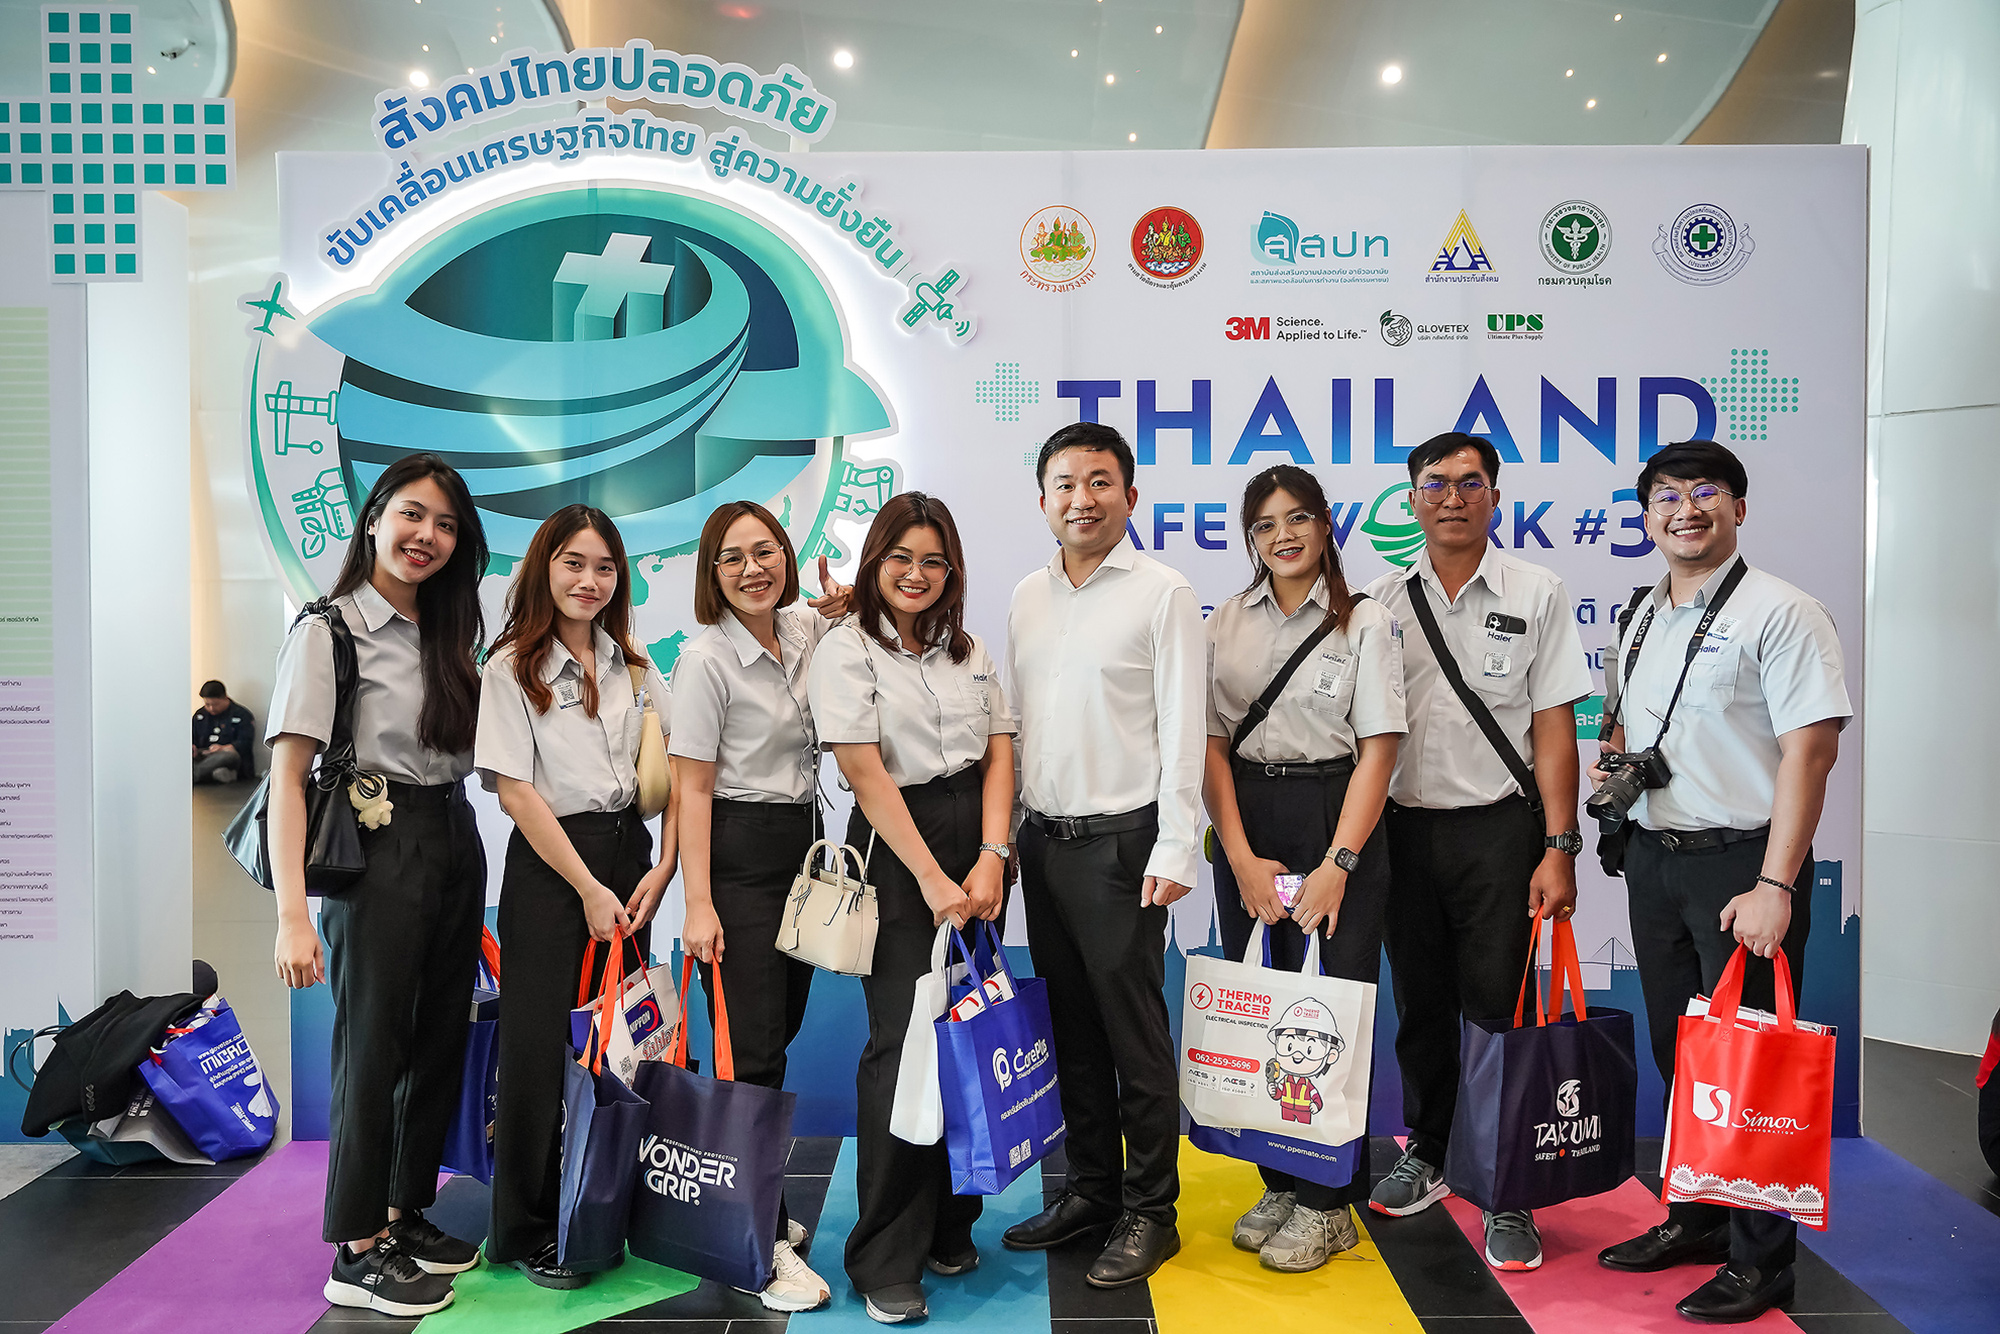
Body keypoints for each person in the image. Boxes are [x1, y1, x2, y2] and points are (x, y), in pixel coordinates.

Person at [1590, 440, 1848, 1324]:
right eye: (1666, 495)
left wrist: (1777, 883)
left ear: (1739, 508)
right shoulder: (1640, 612)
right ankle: (1695, 1218)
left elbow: (1810, 754)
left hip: (1745, 865)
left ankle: (1761, 1260)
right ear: (1646, 516)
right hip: (1656, 859)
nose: (1686, 509)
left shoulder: (1784, 611)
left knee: (1754, 1069)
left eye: (1706, 492)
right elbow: (1630, 725)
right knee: (1685, 1055)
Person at [1361, 431, 1591, 1273]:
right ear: (1411, 499)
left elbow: (1555, 726)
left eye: (1469, 483)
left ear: (1495, 496)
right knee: (1421, 1003)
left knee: (1499, 1010)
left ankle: (1508, 1183)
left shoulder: (1538, 591)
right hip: (1403, 831)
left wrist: (1559, 846)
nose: (1452, 497)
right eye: (1435, 484)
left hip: (1500, 831)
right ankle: (1428, 1149)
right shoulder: (1380, 601)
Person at [266, 453, 489, 1318]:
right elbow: (289, 780)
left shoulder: (448, 631)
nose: (427, 535)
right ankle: (355, 1249)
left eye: (446, 524)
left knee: (437, 1039)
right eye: (412, 515)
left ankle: (403, 1213)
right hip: (376, 845)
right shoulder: (327, 631)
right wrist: (293, 916)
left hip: (454, 833)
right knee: (371, 1050)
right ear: (374, 519)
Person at [999, 422, 1204, 1289]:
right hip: (1043, 844)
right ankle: (1092, 1190)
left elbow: (1185, 725)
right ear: (1043, 499)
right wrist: (1008, 838)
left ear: (1129, 494)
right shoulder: (1026, 596)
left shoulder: (1163, 592)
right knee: (1072, 1033)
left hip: (1125, 847)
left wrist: (1177, 843)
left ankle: (1152, 1211)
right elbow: (1019, 727)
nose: (1081, 499)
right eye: (1065, 484)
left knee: (1134, 1037)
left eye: (1099, 482)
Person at [806, 493, 1017, 1324]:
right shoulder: (846, 647)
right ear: (875, 562)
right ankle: (885, 1253)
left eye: (934, 561)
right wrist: (932, 878)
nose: (917, 574)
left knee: (967, 1033)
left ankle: (948, 1224)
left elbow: (1000, 750)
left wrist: (994, 855)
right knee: (902, 1048)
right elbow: (863, 771)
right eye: (901, 557)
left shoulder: (970, 650)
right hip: (898, 849)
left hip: (978, 841)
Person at [1201, 465, 1405, 1272]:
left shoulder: (1368, 621)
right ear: (1250, 538)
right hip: (1250, 822)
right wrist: (1241, 858)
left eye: (1297, 519)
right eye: (1264, 524)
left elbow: (1379, 750)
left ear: (1325, 525)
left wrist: (1338, 863)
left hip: (1337, 817)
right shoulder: (1225, 622)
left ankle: (1330, 1201)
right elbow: (1211, 745)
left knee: (1332, 1012)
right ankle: (1280, 1181)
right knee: (1264, 1007)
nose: (1282, 536)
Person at [475, 505, 678, 1288]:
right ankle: (529, 1227)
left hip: (629, 857)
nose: (590, 581)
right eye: (573, 563)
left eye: (604, 567)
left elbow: (679, 763)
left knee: (622, 1039)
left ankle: (602, 1202)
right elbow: (516, 794)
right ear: (544, 568)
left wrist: (661, 868)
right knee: (536, 1049)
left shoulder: (635, 665)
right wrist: (590, 887)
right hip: (554, 869)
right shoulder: (510, 668)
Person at [669, 501, 849, 1313]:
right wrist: (698, 903)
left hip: (802, 854)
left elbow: (849, 615)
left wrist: (846, 603)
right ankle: (758, 1243)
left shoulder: (804, 629)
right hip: (738, 859)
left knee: (779, 1036)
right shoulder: (706, 660)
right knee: (752, 1059)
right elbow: (692, 791)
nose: (754, 569)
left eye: (767, 550)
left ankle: (752, 1200)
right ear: (712, 571)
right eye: (734, 557)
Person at [192, 680, 256, 783]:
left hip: (226, 755)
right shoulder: (200, 715)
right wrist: (193, 747)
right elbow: (192, 738)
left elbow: (245, 743)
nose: (211, 708)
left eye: (215, 704)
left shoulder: (242, 715)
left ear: (225, 698)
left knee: (229, 756)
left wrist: (223, 748)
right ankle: (214, 775)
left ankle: (194, 774)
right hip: (203, 754)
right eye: (207, 704)